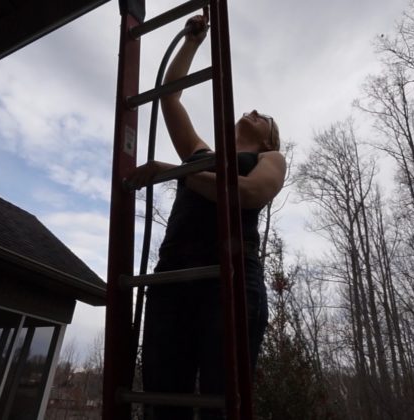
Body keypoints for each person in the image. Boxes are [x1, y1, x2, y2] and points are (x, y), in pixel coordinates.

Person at [125, 13, 286, 420]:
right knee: (163, 402)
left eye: (262, 115)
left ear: (268, 135)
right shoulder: (200, 152)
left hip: (228, 275)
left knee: (224, 401)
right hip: (173, 276)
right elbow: (170, 97)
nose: (252, 110)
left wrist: (175, 172)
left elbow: (247, 195)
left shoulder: (269, 157)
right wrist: (193, 43)